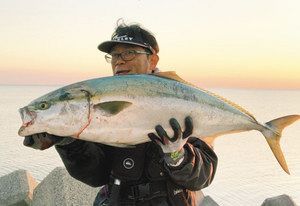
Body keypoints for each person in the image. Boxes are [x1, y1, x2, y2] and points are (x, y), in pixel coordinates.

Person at [27, 22, 218, 206]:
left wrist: (178, 155)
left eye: (129, 53)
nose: (119, 60)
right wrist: (69, 143)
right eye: (114, 55)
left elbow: (203, 177)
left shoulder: (183, 99)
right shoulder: (100, 102)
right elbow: (95, 175)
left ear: (153, 59)